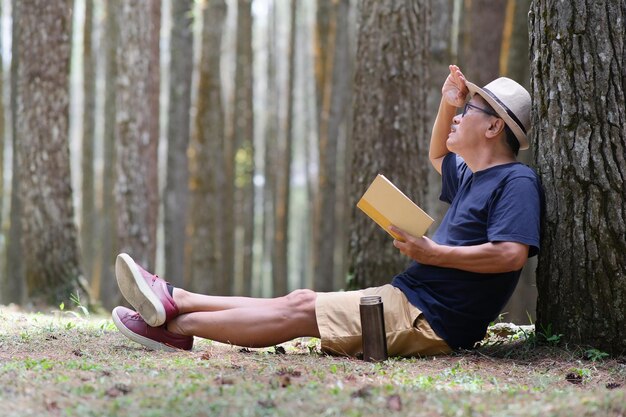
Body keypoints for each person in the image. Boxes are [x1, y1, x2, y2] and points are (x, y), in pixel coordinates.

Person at [111, 65, 543, 356]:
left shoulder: (516, 181)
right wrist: (450, 100)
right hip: (412, 301)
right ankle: (177, 300)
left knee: (299, 314)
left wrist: (434, 254)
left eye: (468, 108)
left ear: (492, 127)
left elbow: (510, 255)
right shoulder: (474, 176)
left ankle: (174, 328)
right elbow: (437, 155)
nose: (457, 115)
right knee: (299, 300)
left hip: (430, 320)